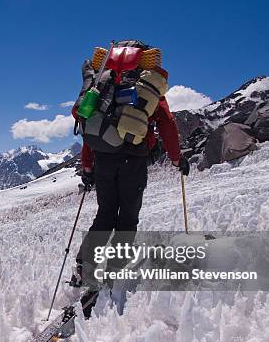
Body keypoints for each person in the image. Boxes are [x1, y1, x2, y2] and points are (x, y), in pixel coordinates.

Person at [69, 44, 190, 316]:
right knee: (127, 219)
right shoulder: (148, 90)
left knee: (105, 214)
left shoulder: (103, 88)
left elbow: (92, 131)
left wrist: (88, 167)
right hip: (133, 162)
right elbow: (167, 124)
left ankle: (85, 267)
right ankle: (112, 273)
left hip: (103, 161)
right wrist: (176, 158)